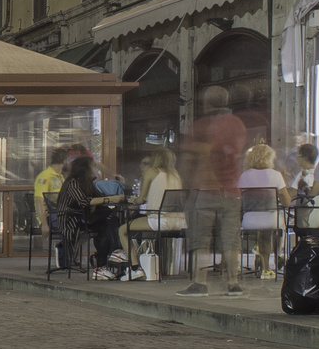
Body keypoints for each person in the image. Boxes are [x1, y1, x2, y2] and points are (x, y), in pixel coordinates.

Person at [179, 86, 248, 297]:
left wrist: (186, 188)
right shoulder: (237, 124)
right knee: (231, 238)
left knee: (201, 238)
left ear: (207, 103)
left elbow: (189, 160)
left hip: (206, 189)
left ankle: (200, 283)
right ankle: (233, 282)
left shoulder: (201, 126)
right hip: (232, 191)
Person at [59, 156, 140, 279]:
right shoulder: (73, 182)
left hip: (85, 218)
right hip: (72, 220)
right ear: (85, 169)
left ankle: (104, 265)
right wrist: (110, 199)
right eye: (93, 167)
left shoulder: (88, 183)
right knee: (109, 219)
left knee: (107, 226)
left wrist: (116, 194)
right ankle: (116, 253)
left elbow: (99, 196)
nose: (96, 170)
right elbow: (84, 201)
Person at [237, 143, 291, 276]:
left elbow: (239, 199)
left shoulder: (244, 176)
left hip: (248, 220)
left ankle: (257, 249)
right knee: (270, 231)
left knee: (260, 230)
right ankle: (266, 268)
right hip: (269, 219)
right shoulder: (276, 175)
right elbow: (286, 201)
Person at [121, 148, 183, 262]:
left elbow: (140, 199)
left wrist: (133, 200)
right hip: (179, 221)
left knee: (122, 230)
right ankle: (147, 260)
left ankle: (135, 266)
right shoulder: (175, 175)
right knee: (145, 228)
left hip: (160, 220)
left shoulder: (152, 172)